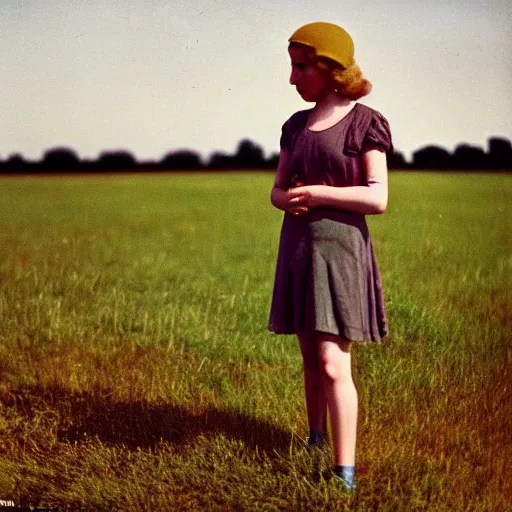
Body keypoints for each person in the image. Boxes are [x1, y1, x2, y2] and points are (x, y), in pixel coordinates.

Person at [268, 21, 392, 491]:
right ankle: (314, 438)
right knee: (308, 355)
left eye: (302, 67)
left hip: (340, 251)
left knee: (333, 362)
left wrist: (317, 193)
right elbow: (277, 191)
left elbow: (378, 198)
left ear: (329, 66)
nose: (293, 78)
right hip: (298, 247)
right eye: (292, 67)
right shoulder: (294, 126)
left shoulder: (366, 122)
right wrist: (287, 200)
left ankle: (344, 473)